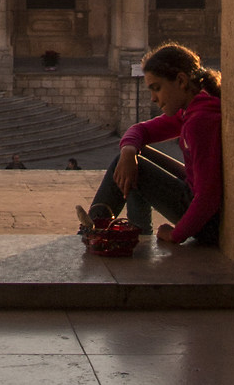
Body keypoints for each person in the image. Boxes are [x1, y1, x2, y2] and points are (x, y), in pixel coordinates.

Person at [78, 43, 222, 247]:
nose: (153, 98)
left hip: (208, 224)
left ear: (180, 81)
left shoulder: (200, 121)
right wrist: (129, 151)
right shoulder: (192, 110)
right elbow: (141, 130)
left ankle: (92, 229)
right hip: (198, 203)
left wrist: (176, 235)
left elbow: (208, 195)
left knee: (133, 167)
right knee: (133, 156)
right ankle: (138, 234)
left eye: (157, 88)